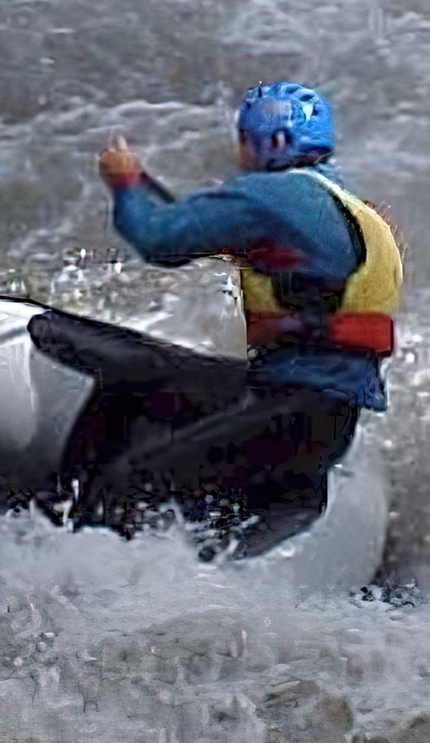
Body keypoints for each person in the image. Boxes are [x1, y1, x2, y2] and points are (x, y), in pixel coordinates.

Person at [67, 81, 400, 556]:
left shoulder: (271, 197)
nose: (240, 152)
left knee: (132, 482)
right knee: (145, 376)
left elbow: (158, 238)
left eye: (245, 139)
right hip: (325, 422)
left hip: (293, 413)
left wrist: (123, 181)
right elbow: (209, 228)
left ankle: (75, 563)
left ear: (274, 142)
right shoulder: (343, 203)